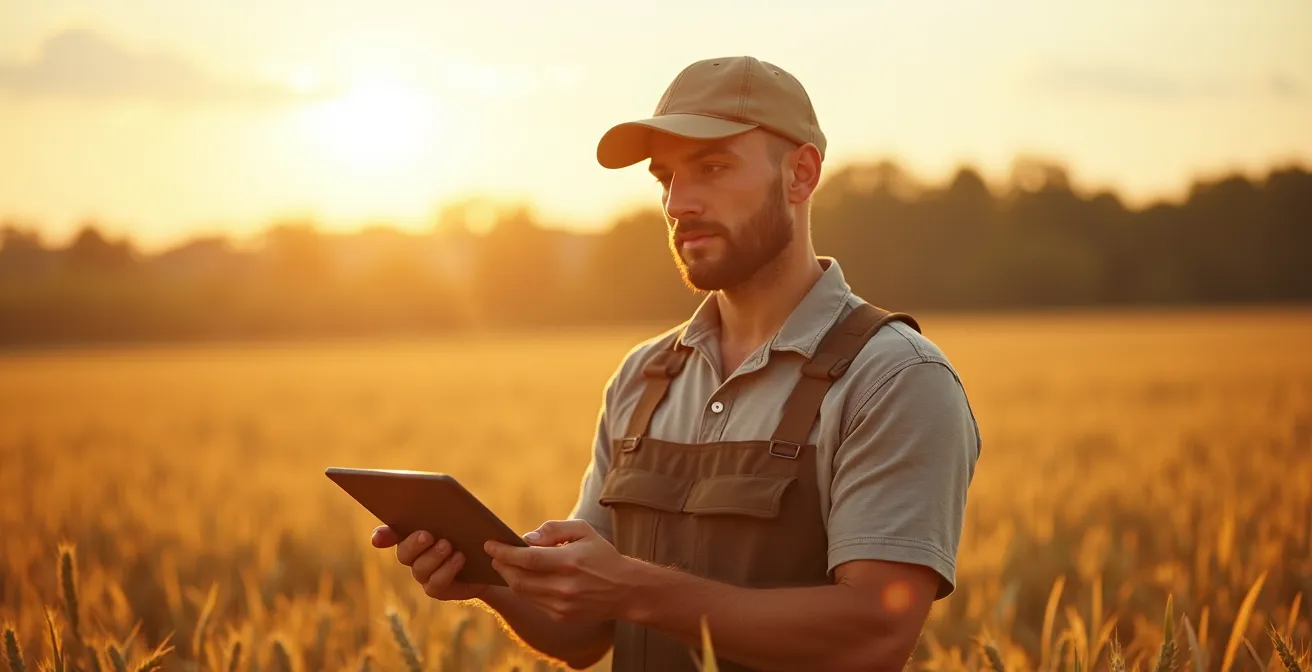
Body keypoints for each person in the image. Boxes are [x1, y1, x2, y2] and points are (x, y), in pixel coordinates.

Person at [370, 55, 981, 672]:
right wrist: (488, 578)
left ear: (800, 174)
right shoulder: (644, 377)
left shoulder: (894, 379)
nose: (677, 202)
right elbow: (587, 633)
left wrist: (633, 587)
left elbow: (873, 635)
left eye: (711, 168)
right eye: (665, 177)